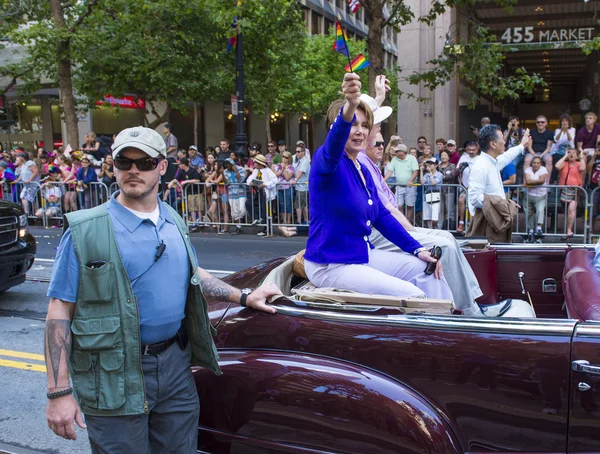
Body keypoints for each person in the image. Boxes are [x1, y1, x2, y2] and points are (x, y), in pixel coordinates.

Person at [44, 126, 281, 452]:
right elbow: (59, 311)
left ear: (161, 167)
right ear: (113, 167)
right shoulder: (86, 230)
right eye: (123, 163)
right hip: (115, 375)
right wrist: (59, 392)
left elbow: (190, 272)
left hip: (175, 368)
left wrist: (243, 295)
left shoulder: (172, 220)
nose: (133, 171)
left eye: (143, 162)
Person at [303, 73, 452, 301]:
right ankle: (427, 334)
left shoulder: (361, 167)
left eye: (365, 125)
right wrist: (351, 104)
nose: (360, 131)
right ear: (338, 128)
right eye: (352, 124)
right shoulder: (327, 160)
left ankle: (451, 327)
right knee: (414, 295)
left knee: (428, 271)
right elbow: (334, 142)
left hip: (362, 255)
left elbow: (382, 215)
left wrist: (417, 249)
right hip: (330, 265)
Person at [361, 132, 483, 314]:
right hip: (371, 235)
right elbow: (385, 210)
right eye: (377, 142)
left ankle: (473, 301)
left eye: (383, 142)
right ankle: (466, 311)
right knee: (445, 246)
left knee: (448, 236)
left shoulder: (369, 163)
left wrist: (412, 233)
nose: (381, 146)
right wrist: (411, 232)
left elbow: (385, 212)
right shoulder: (361, 162)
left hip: (383, 228)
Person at [467, 124, 531, 241]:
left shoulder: (492, 161)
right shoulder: (481, 166)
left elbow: (507, 156)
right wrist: (503, 204)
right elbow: (475, 198)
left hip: (495, 221)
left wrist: (522, 146)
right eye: (502, 138)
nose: (504, 141)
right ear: (493, 144)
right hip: (487, 223)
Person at [556, 147, 585, 240]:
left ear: (576, 155)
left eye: (574, 153)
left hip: (576, 190)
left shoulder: (579, 163)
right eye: (570, 152)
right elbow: (557, 166)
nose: (571, 154)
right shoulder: (564, 164)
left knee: (571, 209)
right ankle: (568, 230)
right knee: (567, 211)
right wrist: (565, 156)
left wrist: (581, 157)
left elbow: (583, 168)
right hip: (564, 190)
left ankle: (569, 230)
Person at [246, 153, 277, 236]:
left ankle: (267, 229)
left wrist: (266, 184)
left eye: (256, 163)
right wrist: (251, 182)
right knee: (249, 204)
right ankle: (257, 218)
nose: (254, 164)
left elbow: (274, 180)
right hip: (257, 193)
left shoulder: (268, 171)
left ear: (260, 164)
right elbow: (249, 179)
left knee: (266, 212)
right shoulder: (256, 171)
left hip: (267, 194)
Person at [387, 144, 418, 222]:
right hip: (399, 186)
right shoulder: (394, 159)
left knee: (409, 206)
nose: (395, 152)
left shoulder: (412, 158)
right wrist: (383, 180)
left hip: (410, 186)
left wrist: (410, 180)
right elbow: (390, 171)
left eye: (397, 151)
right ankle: (403, 223)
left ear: (402, 152)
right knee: (399, 205)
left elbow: (415, 171)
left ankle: (408, 223)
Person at [456, 142, 479, 233]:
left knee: (473, 205)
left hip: (475, 186)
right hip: (464, 186)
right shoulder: (463, 157)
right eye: (469, 150)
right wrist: (460, 167)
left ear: (477, 150)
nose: (471, 152)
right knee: (461, 200)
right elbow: (457, 170)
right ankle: (461, 223)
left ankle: (475, 224)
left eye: (473, 150)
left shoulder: (479, 159)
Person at [523, 156, 548, 239]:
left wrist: (529, 184)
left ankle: (538, 228)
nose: (536, 164)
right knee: (528, 212)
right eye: (534, 162)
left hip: (540, 196)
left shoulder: (543, 169)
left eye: (538, 163)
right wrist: (531, 183)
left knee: (540, 210)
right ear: (531, 163)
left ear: (540, 164)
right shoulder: (528, 170)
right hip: (528, 196)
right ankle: (530, 229)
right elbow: (528, 180)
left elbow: (542, 181)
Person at [524, 115, 554, 182]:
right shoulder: (531, 132)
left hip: (544, 152)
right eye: (538, 122)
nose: (540, 123)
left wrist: (540, 156)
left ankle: (546, 184)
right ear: (536, 123)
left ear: (546, 123)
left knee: (549, 160)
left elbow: (548, 148)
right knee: (527, 160)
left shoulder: (550, 133)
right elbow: (529, 146)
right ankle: (526, 184)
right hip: (532, 152)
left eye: (542, 122)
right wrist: (534, 155)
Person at [223, 157, 246, 235]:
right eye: (225, 164)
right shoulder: (225, 171)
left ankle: (241, 223)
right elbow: (226, 183)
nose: (226, 165)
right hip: (231, 193)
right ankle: (239, 227)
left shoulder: (241, 169)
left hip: (241, 192)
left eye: (228, 164)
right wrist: (222, 174)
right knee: (234, 212)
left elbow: (241, 180)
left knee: (242, 209)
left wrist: (236, 171)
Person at [273, 150, 295, 225]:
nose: (284, 158)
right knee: (281, 204)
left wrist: (285, 169)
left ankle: (289, 221)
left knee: (288, 204)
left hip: (287, 187)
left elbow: (287, 177)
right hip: (279, 187)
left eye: (286, 157)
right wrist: (282, 168)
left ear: (289, 159)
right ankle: (284, 221)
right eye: (283, 156)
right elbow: (275, 175)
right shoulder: (278, 166)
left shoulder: (291, 167)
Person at [420, 158, 443, 229]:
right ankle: (430, 230)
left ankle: (434, 228)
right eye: (428, 164)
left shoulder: (439, 174)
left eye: (431, 164)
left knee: (435, 218)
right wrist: (421, 171)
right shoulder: (426, 174)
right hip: (427, 195)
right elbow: (422, 182)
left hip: (435, 196)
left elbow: (433, 183)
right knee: (427, 217)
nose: (429, 165)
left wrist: (430, 174)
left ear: (436, 165)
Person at [438, 149, 458, 230]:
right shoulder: (438, 166)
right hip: (439, 190)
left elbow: (452, 175)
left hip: (449, 190)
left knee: (449, 209)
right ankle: (440, 227)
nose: (443, 157)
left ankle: (450, 227)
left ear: (449, 157)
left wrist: (441, 177)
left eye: (445, 155)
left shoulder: (452, 165)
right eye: (442, 155)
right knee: (440, 209)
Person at [292, 145, 310, 224]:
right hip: (300, 186)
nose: (297, 153)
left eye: (298, 152)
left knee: (299, 204)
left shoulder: (305, 160)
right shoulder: (299, 160)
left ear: (303, 152)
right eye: (296, 152)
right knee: (303, 204)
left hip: (303, 186)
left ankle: (299, 221)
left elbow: (301, 171)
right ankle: (305, 220)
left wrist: (295, 179)